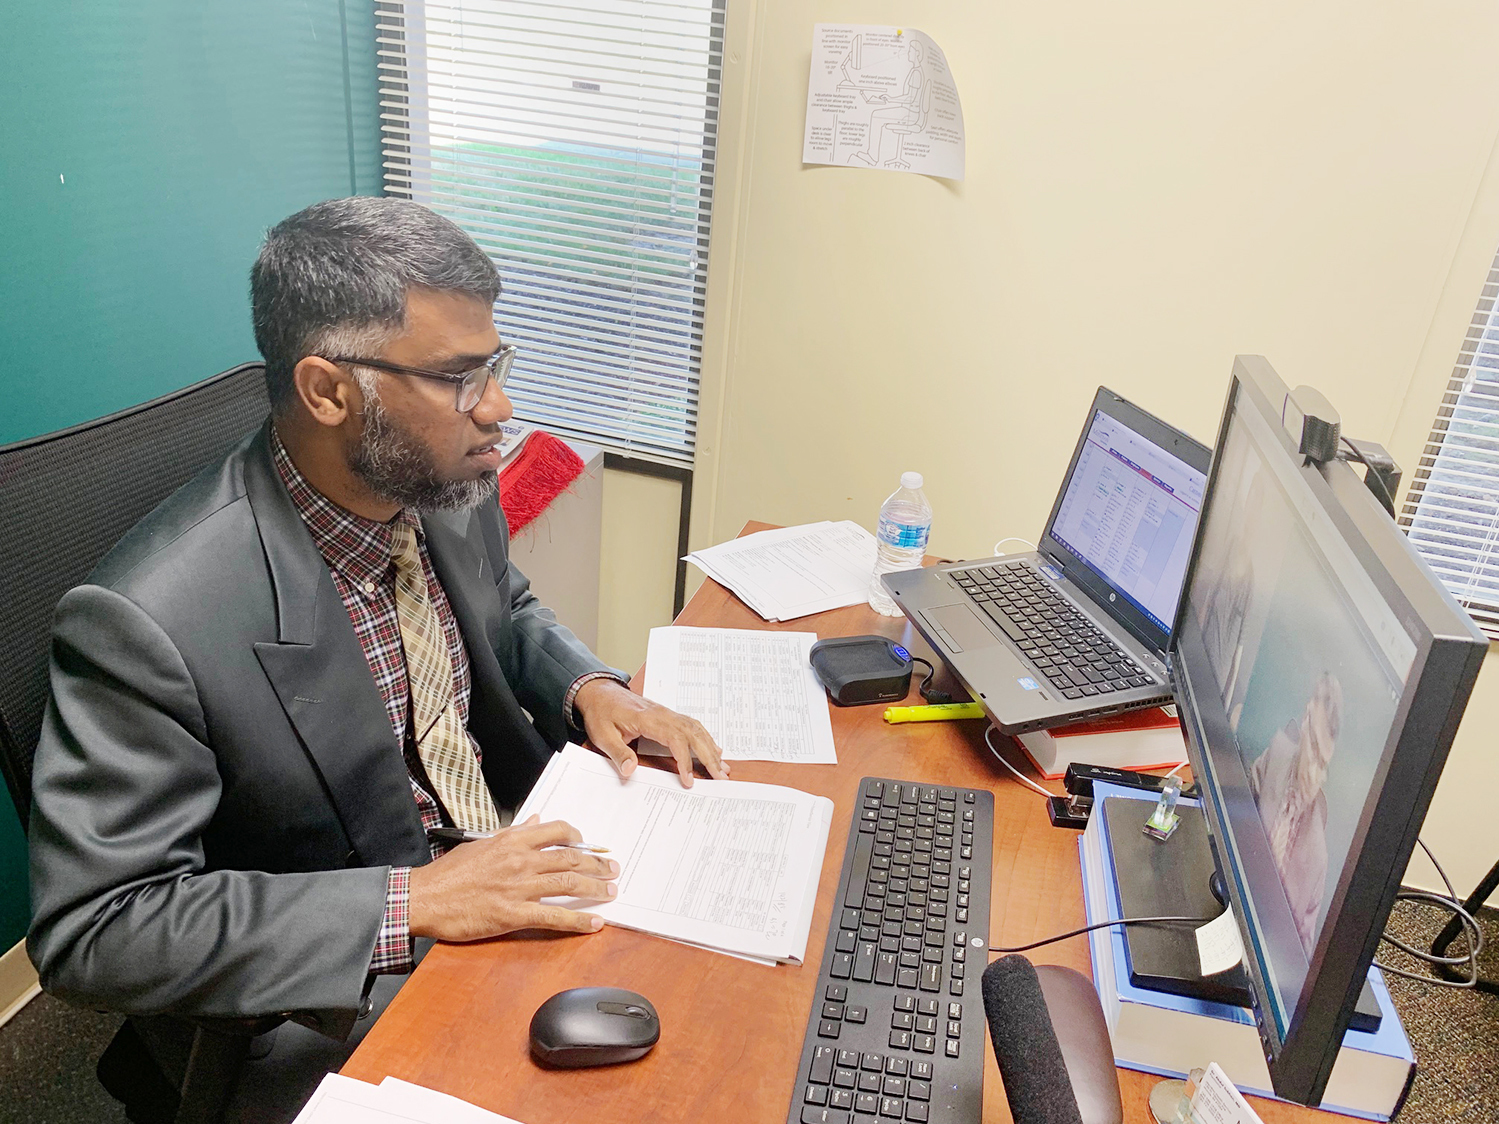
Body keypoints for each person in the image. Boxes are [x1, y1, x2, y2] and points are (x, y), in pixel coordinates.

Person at [26, 196, 727, 1119]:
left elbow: (503, 604)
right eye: (458, 377)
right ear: (328, 392)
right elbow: (95, 930)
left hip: (505, 839)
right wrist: (415, 902)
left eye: (495, 364)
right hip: (333, 982)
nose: (501, 409)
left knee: (718, 1027)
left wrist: (589, 685)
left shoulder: (438, 476)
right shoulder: (144, 623)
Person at [1248, 671, 1343, 954]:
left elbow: (1301, 947)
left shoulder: (1318, 859)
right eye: (1313, 747)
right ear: (1305, 720)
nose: (1316, 774)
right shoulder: (1273, 757)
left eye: (1323, 763)